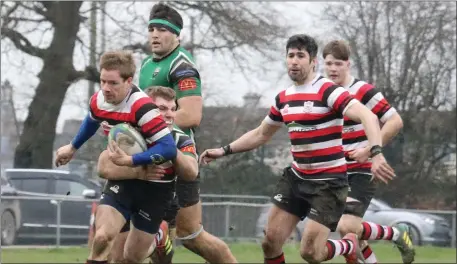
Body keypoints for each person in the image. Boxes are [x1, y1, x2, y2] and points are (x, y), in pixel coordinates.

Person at [200, 34, 396, 264]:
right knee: (270, 241)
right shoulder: (284, 98)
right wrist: (224, 150)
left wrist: (375, 152)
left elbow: (368, 116)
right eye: (290, 55)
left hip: (329, 183)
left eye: (300, 56)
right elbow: (261, 133)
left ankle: (346, 245)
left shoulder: (327, 90)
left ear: (313, 61)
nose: (294, 61)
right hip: (297, 178)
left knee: (310, 253)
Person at [54, 51, 178, 264]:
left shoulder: (142, 108)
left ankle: (158, 236)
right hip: (123, 180)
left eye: (113, 83)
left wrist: (133, 161)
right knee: (102, 238)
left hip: (154, 186)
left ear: (129, 81)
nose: (106, 88)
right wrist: (73, 147)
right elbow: (92, 119)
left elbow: (168, 149)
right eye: (102, 81)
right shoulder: (100, 99)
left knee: (131, 257)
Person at [138, 3, 237, 264]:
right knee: (150, 232)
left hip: (178, 157)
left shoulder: (182, 65)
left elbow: (192, 116)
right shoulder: (147, 63)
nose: (154, 35)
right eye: (151, 29)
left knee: (190, 235)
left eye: (161, 29)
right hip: (152, 155)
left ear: (177, 35)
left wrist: (144, 127)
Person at [322, 40, 415, 264]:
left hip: (362, 170)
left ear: (348, 64)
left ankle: (395, 234)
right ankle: (397, 234)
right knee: (349, 234)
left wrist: (369, 150)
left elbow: (395, 121)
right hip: (335, 172)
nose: (333, 68)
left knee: (347, 226)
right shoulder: (324, 92)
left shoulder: (362, 91)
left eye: (338, 63)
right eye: (329, 63)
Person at [94, 86, 199, 263]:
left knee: (131, 258)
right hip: (123, 190)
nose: (169, 114)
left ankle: (158, 237)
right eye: (162, 109)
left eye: (173, 109)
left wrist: (171, 151)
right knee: (106, 243)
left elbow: (191, 173)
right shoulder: (128, 132)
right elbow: (103, 167)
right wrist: (139, 171)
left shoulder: (180, 140)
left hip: (154, 197)